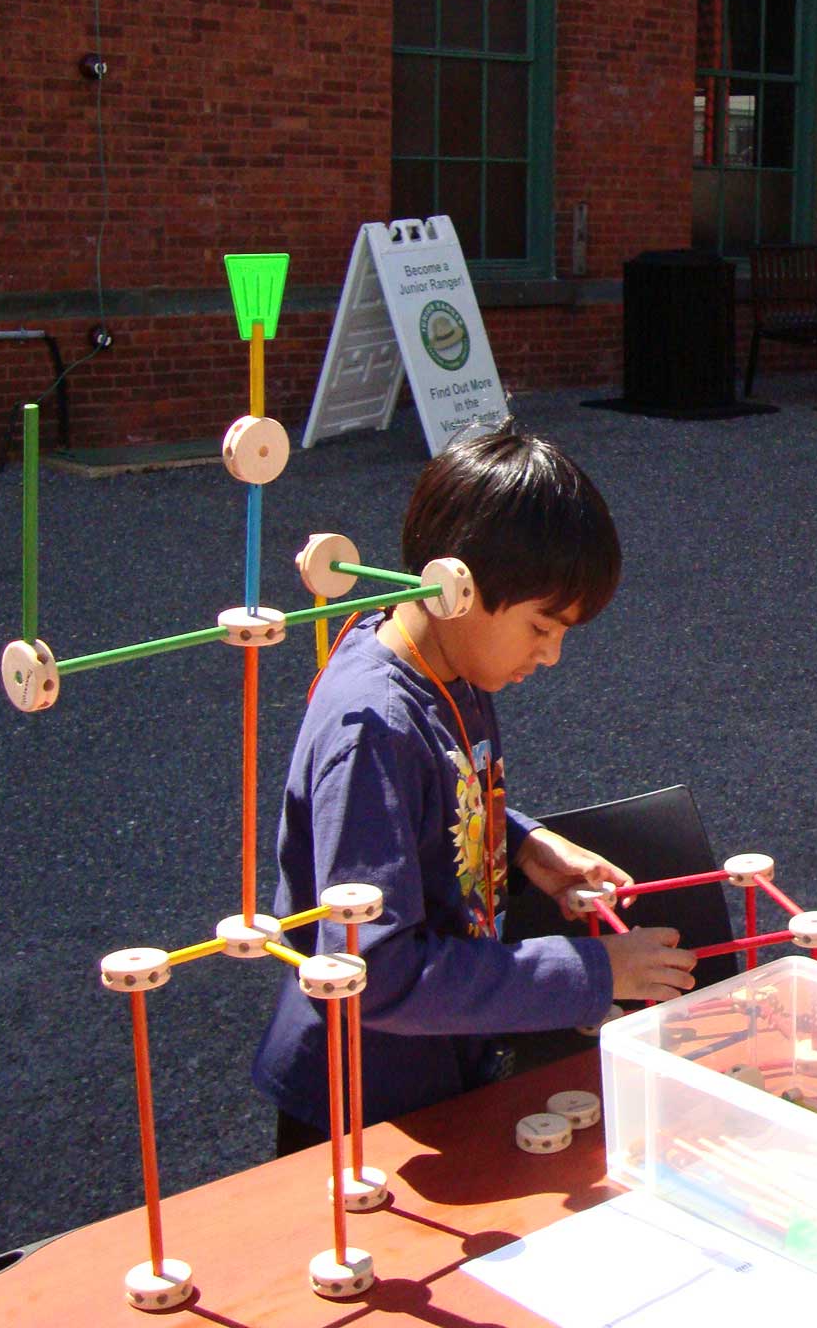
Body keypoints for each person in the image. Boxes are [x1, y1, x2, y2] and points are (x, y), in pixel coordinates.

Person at [253, 423, 696, 1153]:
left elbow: (434, 805)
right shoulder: (372, 728)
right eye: (541, 627)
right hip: (363, 1107)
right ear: (455, 587)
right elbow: (378, 971)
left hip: (437, 1069)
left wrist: (523, 843)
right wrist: (593, 970)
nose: (550, 656)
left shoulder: (450, 662)